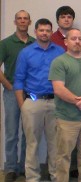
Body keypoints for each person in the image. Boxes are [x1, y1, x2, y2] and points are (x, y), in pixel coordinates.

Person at [13, 18, 64, 182]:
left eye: (47, 30)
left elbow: (65, 78)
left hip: (55, 102)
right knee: (32, 144)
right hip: (32, 102)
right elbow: (19, 80)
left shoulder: (60, 52)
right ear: (35, 31)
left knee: (56, 144)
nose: (44, 33)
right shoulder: (26, 53)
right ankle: (32, 178)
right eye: (41, 30)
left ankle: (56, 176)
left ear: (51, 31)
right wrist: (23, 106)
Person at [49, 28, 81, 182]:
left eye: (80, 39)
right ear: (66, 42)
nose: (77, 41)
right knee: (63, 157)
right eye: (73, 39)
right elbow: (58, 89)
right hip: (66, 118)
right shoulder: (59, 62)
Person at [0, 10, 34, 182]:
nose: (22, 21)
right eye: (19, 19)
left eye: (25, 19)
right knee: (12, 131)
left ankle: (25, 167)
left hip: (32, 93)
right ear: (15, 22)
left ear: (29, 22)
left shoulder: (35, 43)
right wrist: (8, 85)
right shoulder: (5, 43)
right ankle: (11, 168)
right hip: (12, 92)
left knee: (29, 132)